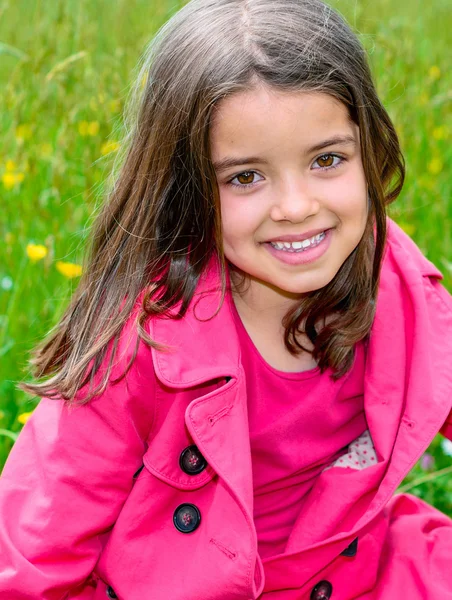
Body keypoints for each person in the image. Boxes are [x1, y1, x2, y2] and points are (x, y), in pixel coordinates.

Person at [1, 0, 451, 597]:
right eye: (245, 177)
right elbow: (32, 554)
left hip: (358, 570)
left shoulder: (393, 278)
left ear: (369, 151)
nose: (295, 206)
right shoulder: (142, 342)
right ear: (185, 186)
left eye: (326, 160)